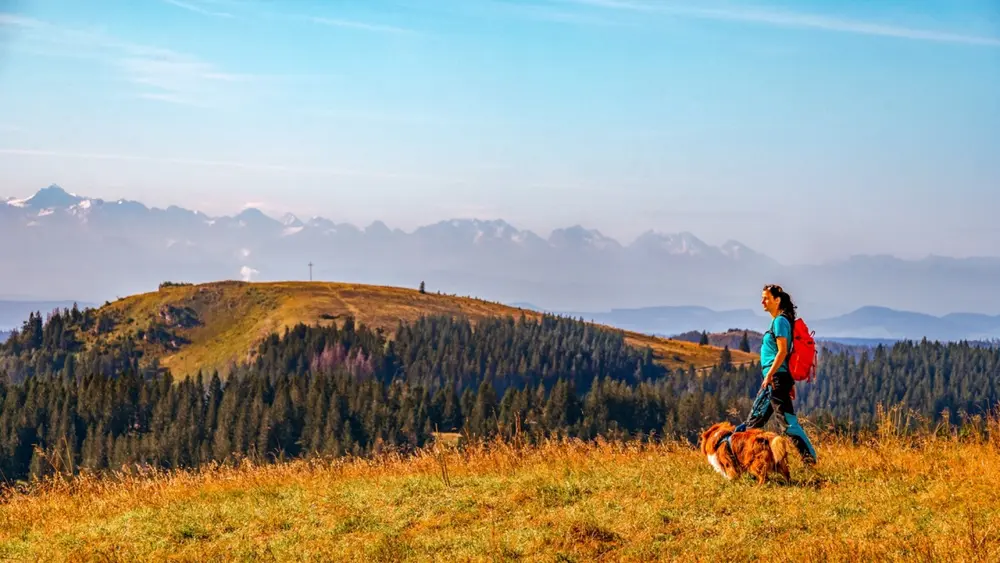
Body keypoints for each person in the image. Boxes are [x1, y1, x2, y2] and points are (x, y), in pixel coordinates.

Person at [735, 284, 817, 466]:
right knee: (753, 423)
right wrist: (787, 381)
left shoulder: (780, 321)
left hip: (775, 379)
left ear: (777, 300)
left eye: (766, 298)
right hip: (777, 379)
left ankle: (810, 460)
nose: (762, 301)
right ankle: (745, 462)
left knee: (788, 423)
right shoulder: (780, 321)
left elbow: (782, 352)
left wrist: (770, 375)